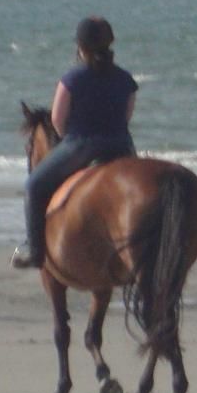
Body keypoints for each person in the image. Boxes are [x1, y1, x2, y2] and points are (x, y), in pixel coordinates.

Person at [11, 16, 138, 269]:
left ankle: (34, 251)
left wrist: (69, 139)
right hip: (122, 145)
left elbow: (58, 121)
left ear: (81, 46)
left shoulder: (72, 78)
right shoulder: (126, 79)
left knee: (34, 186)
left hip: (81, 144)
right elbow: (127, 116)